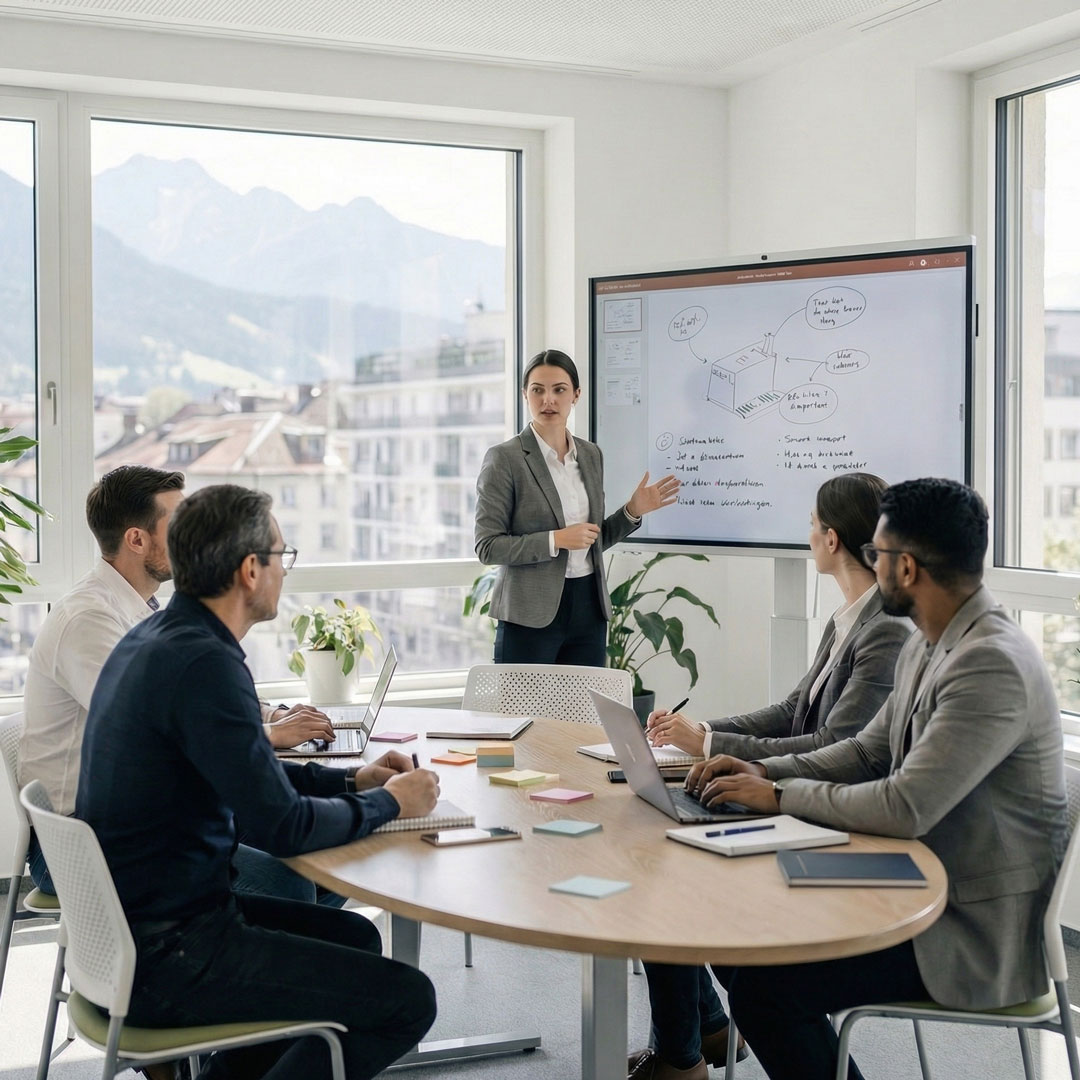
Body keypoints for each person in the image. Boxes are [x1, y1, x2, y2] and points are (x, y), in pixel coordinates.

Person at [687, 478, 1068, 1080]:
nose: (872, 563)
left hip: (969, 928)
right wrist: (761, 769)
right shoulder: (933, 640)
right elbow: (866, 752)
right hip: (917, 879)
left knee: (765, 992)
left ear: (907, 568)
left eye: (879, 555)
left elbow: (905, 806)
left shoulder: (991, 663)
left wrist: (780, 794)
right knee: (741, 944)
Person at [77, 484, 439, 1080]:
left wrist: (355, 783)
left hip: (135, 932)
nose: (283, 571)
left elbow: (256, 780)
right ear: (251, 571)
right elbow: (283, 827)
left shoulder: (162, 637)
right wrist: (389, 803)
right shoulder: (206, 665)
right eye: (281, 556)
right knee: (408, 1001)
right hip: (170, 955)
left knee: (354, 938)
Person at [632, 473, 912, 1080]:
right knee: (667, 862)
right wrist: (702, 731)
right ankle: (696, 1039)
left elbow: (839, 746)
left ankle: (686, 1050)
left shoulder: (887, 629)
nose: (807, 534)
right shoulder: (851, 618)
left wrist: (722, 751)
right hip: (805, 798)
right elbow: (792, 711)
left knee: (674, 875)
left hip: (835, 817)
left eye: (812, 524)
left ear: (832, 538)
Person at [18, 464, 339, 904]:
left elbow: (188, 703)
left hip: (144, 813)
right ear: (137, 539)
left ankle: (270, 955)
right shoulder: (89, 620)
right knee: (292, 883)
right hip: (83, 841)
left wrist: (270, 714)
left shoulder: (139, 606)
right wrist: (267, 734)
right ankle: (229, 957)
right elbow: (158, 728)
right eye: (180, 523)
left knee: (322, 850)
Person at [475, 348, 680, 665]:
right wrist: (555, 540)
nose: (548, 400)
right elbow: (488, 546)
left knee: (582, 714)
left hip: (588, 610)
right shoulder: (505, 458)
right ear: (524, 395)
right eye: (538, 390)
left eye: (559, 390)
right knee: (527, 715)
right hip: (529, 614)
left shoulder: (590, 455)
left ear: (576, 395)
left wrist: (632, 511)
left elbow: (591, 539)